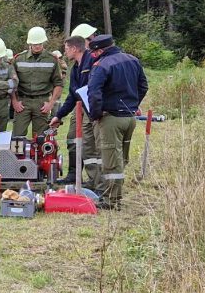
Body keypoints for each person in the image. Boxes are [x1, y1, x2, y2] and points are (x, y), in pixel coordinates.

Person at [85, 34, 148, 209]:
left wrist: (95, 115)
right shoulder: (132, 60)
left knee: (111, 161)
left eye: (93, 52)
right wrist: (133, 104)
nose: (91, 55)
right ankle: (115, 195)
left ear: (100, 50)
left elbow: (94, 93)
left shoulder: (101, 65)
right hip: (129, 118)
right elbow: (143, 85)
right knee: (121, 158)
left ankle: (110, 201)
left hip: (111, 118)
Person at [50, 24, 99, 186]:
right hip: (79, 108)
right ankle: (73, 174)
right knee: (72, 139)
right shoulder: (76, 67)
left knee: (90, 145)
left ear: (75, 48)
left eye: (66, 48)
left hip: (92, 109)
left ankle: (95, 180)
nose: (65, 52)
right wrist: (59, 115)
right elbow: (73, 95)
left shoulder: (92, 61)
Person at [12, 26, 63, 140]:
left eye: (40, 43)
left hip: (42, 102)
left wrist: (51, 103)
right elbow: (11, 83)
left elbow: (58, 84)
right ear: (29, 43)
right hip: (22, 102)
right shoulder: (18, 59)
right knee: (17, 137)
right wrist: (14, 102)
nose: (37, 46)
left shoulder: (52, 59)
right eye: (35, 44)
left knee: (41, 138)